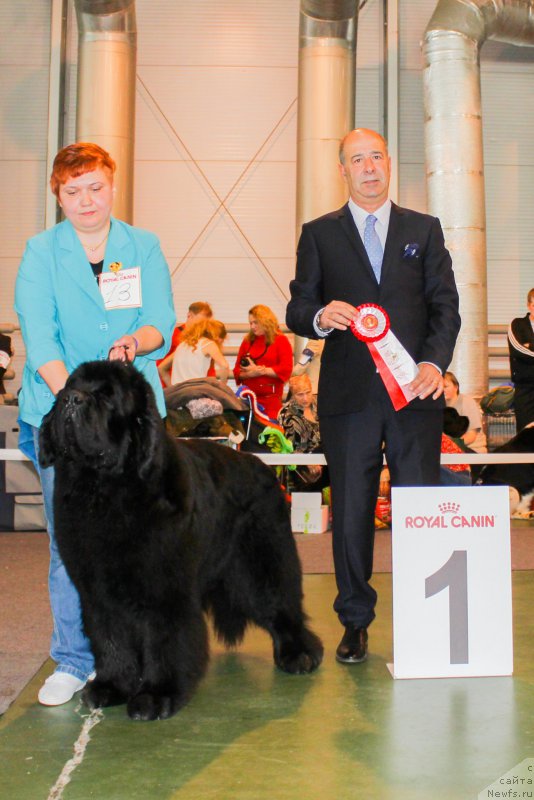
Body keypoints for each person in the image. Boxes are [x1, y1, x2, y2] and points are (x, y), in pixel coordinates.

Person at [286, 128, 460, 664]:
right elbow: (297, 309)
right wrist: (319, 317)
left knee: (418, 510)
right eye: (356, 159)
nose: (368, 167)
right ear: (343, 170)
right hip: (349, 400)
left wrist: (433, 363)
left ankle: (424, 614)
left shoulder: (424, 229)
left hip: (416, 396)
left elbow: (446, 307)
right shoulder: (318, 234)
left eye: (376, 156)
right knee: (355, 511)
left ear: (389, 163)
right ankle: (355, 621)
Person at [14, 142, 176, 706]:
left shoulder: (143, 246)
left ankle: (146, 652)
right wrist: (80, 405)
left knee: (144, 540)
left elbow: (162, 322)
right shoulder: (40, 252)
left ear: (113, 184)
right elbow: (40, 336)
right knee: (71, 546)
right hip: (63, 416)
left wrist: (137, 341)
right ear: (57, 195)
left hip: (134, 423)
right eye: (72, 191)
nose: (86, 200)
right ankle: (74, 658)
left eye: (95, 187)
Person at [234, 304, 293, 420]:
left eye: (255, 322)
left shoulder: (281, 340)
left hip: (271, 401)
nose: (252, 326)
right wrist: (249, 374)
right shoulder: (247, 341)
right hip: (248, 399)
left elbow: (286, 369)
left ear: (265, 321)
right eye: (250, 323)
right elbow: (237, 371)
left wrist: (261, 371)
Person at [278, 374, 327, 490]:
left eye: (308, 392)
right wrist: (309, 462)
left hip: (324, 457)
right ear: (293, 395)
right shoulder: (287, 414)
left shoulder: (320, 405)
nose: (305, 398)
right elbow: (288, 447)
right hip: (300, 464)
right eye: (300, 395)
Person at [157, 301, 213, 386]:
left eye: (206, 323)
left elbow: (210, 368)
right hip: (177, 386)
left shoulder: (206, 340)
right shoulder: (173, 335)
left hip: (198, 387)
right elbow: (160, 364)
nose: (203, 326)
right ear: (189, 315)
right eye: (201, 322)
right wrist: (170, 387)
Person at [158, 318, 229, 385]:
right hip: (196, 391)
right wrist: (223, 387)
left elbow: (161, 368)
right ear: (218, 338)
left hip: (178, 394)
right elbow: (224, 366)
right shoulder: (208, 343)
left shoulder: (182, 345)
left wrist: (172, 387)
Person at [508, 288, 534, 431]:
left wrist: (530, 345)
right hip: (524, 388)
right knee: (525, 433)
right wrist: (526, 347)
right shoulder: (517, 324)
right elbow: (518, 350)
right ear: (529, 305)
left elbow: (526, 351)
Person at [443, 370, 486, 453]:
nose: (442, 390)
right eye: (440, 387)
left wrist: (451, 446)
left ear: (456, 387)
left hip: (473, 450)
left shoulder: (467, 402)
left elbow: (471, 435)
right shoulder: (441, 406)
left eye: (446, 386)